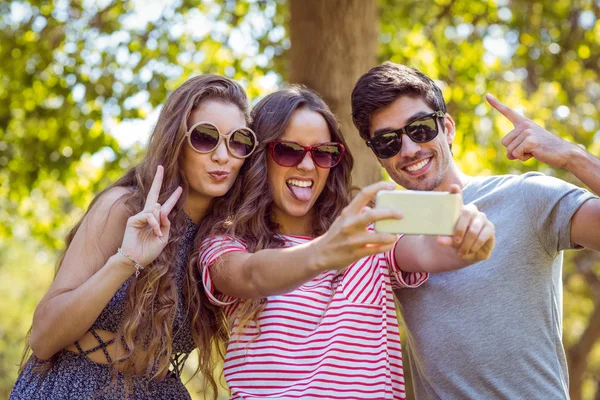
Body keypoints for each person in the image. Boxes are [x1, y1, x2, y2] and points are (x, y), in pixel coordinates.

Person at [197, 86, 495, 399]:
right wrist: (322, 253)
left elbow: (428, 251)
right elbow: (249, 276)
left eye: (323, 153)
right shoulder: (225, 242)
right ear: (260, 157)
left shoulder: (366, 231)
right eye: (288, 151)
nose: (307, 166)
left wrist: (470, 242)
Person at [351, 62, 600, 399]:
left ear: (448, 128)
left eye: (420, 128)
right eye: (387, 142)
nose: (408, 149)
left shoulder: (527, 197)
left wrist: (573, 156)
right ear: (378, 156)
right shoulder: (386, 230)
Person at [10, 74, 258, 399]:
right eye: (206, 137)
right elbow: (42, 339)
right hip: (74, 388)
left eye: (238, 140)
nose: (223, 156)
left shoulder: (220, 243)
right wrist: (126, 261)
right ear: (176, 141)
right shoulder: (124, 208)